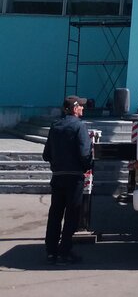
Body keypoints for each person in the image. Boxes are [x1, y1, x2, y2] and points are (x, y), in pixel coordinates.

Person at [42, 95, 92, 264]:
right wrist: (87, 165)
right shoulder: (79, 126)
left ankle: (51, 252)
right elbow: (85, 153)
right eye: (81, 106)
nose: (83, 108)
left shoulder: (55, 126)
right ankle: (65, 251)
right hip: (74, 178)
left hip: (58, 177)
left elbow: (46, 154)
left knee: (55, 214)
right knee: (72, 215)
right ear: (74, 108)